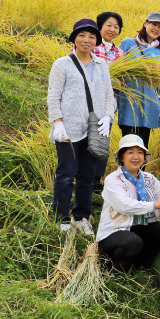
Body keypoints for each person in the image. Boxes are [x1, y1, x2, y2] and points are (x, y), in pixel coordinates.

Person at [47, 18, 115, 234]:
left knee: (87, 176)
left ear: (97, 41)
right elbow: (53, 97)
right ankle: (62, 218)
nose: (87, 40)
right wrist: (57, 123)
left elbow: (108, 95)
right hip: (68, 130)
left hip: (93, 130)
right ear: (74, 39)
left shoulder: (101, 64)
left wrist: (108, 116)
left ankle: (81, 217)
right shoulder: (62, 64)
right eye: (82, 35)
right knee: (66, 174)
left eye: (92, 36)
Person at [96, 134, 160, 271]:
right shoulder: (113, 180)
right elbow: (124, 205)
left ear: (144, 157)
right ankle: (116, 270)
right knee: (131, 242)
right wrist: (156, 204)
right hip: (116, 232)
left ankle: (141, 264)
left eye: (140, 152)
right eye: (130, 152)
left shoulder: (149, 179)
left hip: (141, 227)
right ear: (122, 157)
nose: (136, 157)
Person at [87, 12, 126, 193]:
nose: (112, 29)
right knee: (84, 137)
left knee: (102, 139)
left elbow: (123, 79)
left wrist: (119, 80)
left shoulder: (120, 53)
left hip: (109, 103)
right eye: (109, 25)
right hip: (87, 100)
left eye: (116, 26)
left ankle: (96, 179)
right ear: (100, 26)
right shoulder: (90, 45)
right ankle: (81, 176)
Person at [117, 12, 160, 148]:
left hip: (149, 103)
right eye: (153, 24)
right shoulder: (128, 43)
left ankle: (141, 170)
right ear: (145, 24)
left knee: (143, 148)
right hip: (130, 103)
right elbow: (117, 69)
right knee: (128, 147)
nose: (156, 29)